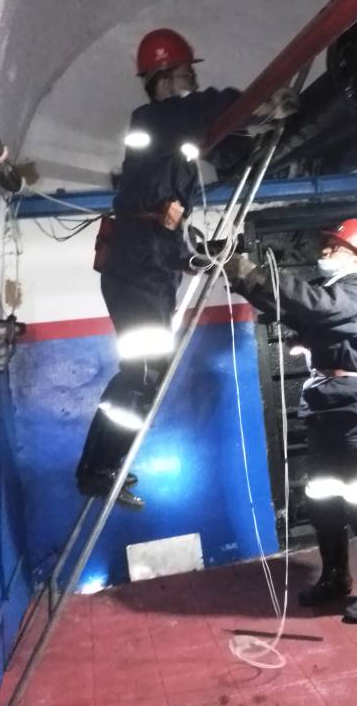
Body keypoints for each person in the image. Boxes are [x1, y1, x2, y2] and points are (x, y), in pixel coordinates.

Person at [76, 28, 295, 504]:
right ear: (161, 77)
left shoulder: (175, 147)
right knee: (143, 372)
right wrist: (261, 104)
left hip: (150, 272)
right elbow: (205, 110)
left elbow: (170, 219)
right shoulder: (152, 122)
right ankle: (97, 469)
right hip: (135, 271)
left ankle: (108, 463)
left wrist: (192, 257)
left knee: (148, 374)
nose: (193, 81)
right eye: (185, 74)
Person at [224, 218, 357, 622]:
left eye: (334, 247)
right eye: (325, 246)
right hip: (321, 405)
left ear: (356, 256)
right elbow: (287, 306)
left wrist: (253, 273)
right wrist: (241, 277)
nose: (325, 252)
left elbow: (313, 306)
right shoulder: (329, 295)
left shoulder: (355, 291)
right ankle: (335, 577)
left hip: (355, 409)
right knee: (324, 499)